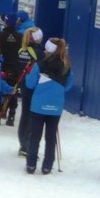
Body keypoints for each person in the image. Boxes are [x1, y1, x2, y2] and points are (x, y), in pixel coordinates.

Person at [25, 38, 73, 175]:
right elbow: (68, 85)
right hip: (56, 106)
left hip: (38, 106)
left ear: (48, 50)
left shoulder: (39, 65)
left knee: (35, 135)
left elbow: (30, 84)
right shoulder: (66, 66)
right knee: (51, 136)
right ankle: (47, 166)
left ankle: (31, 164)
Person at [14, 26, 46, 156]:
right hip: (35, 86)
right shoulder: (38, 52)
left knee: (25, 114)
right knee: (33, 116)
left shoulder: (22, 50)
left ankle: (23, 143)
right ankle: (27, 145)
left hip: (24, 85)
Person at [0, 12, 24, 125]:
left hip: (2, 66)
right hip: (15, 68)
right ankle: (11, 115)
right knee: (13, 90)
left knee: (0, 88)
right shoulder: (20, 37)